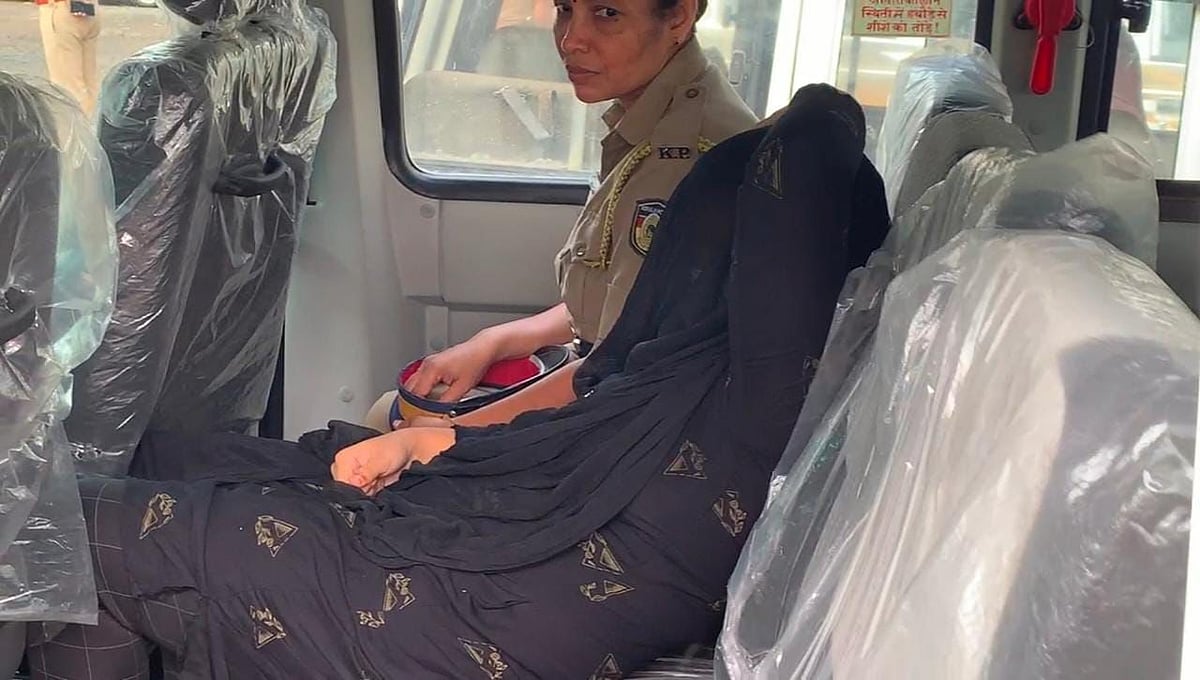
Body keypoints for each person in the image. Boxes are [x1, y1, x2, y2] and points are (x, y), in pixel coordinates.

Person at [25, 84, 892, 680]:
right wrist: (429, 441)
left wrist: (820, 107)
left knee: (74, 526)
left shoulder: (768, 390)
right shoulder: (681, 368)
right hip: (539, 538)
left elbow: (811, 150)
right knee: (167, 462)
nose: (681, 265)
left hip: (513, 611)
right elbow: (587, 398)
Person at [365, 0, 758, 431]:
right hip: (614, 388)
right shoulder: (657, 124)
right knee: (400, 413)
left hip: (636, 417)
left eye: (607, 13)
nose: (571, 40)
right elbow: (619, 309)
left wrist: (456, 432)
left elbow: (620, 365)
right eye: (565, 9)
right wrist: (495, 342)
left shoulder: (686, 160)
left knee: (389, 421)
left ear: (678, 16)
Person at [35, 0, 101, 118]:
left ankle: (76, 127)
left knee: (67, 87)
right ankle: (89, 123)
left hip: (60, 8)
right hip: (90, 8)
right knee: (89, 83)